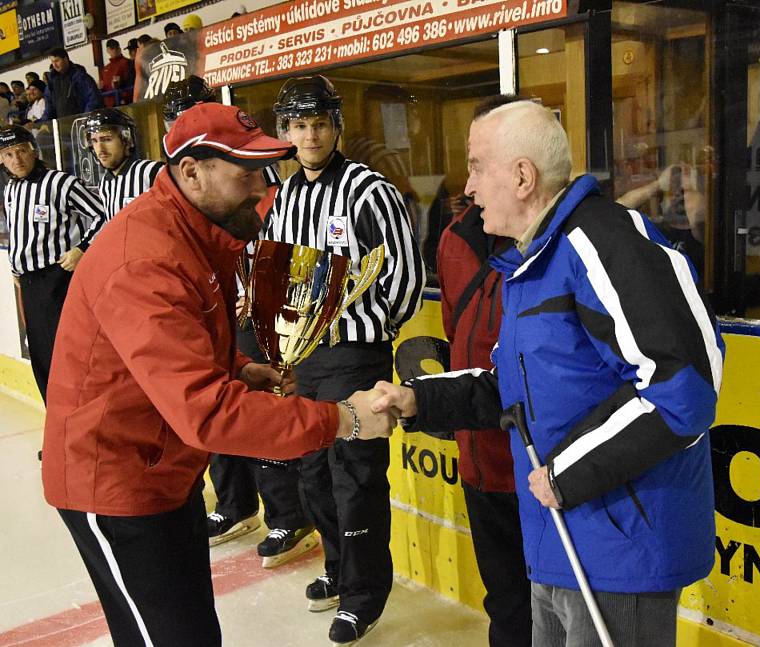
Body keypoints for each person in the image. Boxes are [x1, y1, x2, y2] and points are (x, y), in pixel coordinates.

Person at [372, 96, 725, 647]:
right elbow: (511, 389)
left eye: (476, 165)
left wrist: (565, 476)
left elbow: (682, 391)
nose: (467, 186)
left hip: (618, 551)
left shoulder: (605, 244)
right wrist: (417, 400)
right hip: (555, 536)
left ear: (521, 176)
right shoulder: (534, 261)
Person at [41, 102, 395, 647]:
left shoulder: (195, 233)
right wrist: (342, 419)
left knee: (194, 632)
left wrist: (241, 368)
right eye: (247, 174)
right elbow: (204, 411)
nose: (263, 187)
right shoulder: (146, 258)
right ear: (191, 172)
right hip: (113, 482)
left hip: (163, 470)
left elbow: (175, 348)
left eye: (264, 171)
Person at [267, 74, 425, 645]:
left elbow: (405, 275)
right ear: (287, 130)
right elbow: (281, 274)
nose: (309, 136)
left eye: (319, 124)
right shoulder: (286, 193)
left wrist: (371, 330)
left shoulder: (368, 190)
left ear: (336, 126)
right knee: (312, 474)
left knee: (354, 478)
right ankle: (337, 569)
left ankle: (364, 595)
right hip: (304, 356)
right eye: (299, 126)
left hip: (355, 355)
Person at [162, 76, 318, 567]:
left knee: (263, 411)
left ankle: (288, 514)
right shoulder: (181, 193)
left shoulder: (255, 181)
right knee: (227, 413)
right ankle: (235, 503)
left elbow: (286, 249)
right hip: (226, 312)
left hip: (270, 314)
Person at [436, 200, 531, 647]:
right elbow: (456, 332)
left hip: (542, 469)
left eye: (480, 164)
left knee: (555, 604)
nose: (469, 183)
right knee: (506, 597)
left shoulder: (560, 239)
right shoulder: (456, 236)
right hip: (479, 455)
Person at [0, 125, 105, 400]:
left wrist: (82, 249)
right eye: (8, 154)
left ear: (33, 150)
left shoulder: (60, 183)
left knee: (67, 357)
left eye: (21, 151)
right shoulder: (11, 189)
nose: (16, 159)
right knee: (41, 358)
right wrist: (15, 266)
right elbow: (18, 230)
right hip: (29, 284)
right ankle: (58, 431)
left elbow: (102, 214)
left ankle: (78, 428)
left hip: (57, 280)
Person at [83, 108, 162, 220]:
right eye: (94, 141)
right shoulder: (104, 184)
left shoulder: (152, 172)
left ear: (127, 140)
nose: (100, 149)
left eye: (107, 139)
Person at [43, 48, 102, 120]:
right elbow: (49, 107)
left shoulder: (80, 77)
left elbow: (93, 99)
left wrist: (84, 119)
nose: (54, 65)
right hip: (62, 125)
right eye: (52, 62)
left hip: (79, 122)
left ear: (65, 59)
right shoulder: (52, 82)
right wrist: (42, 122)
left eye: (57, 61)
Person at [100, 39, 134, 107]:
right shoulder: (105, 69)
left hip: (123, 103)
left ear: (119, 49)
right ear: (108, 50)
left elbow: (132, 81)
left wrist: (120, 84)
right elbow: (101, 86)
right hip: (109, 106)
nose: (114, 50)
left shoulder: (127, 63)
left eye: (116, 48)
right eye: (112, 48)